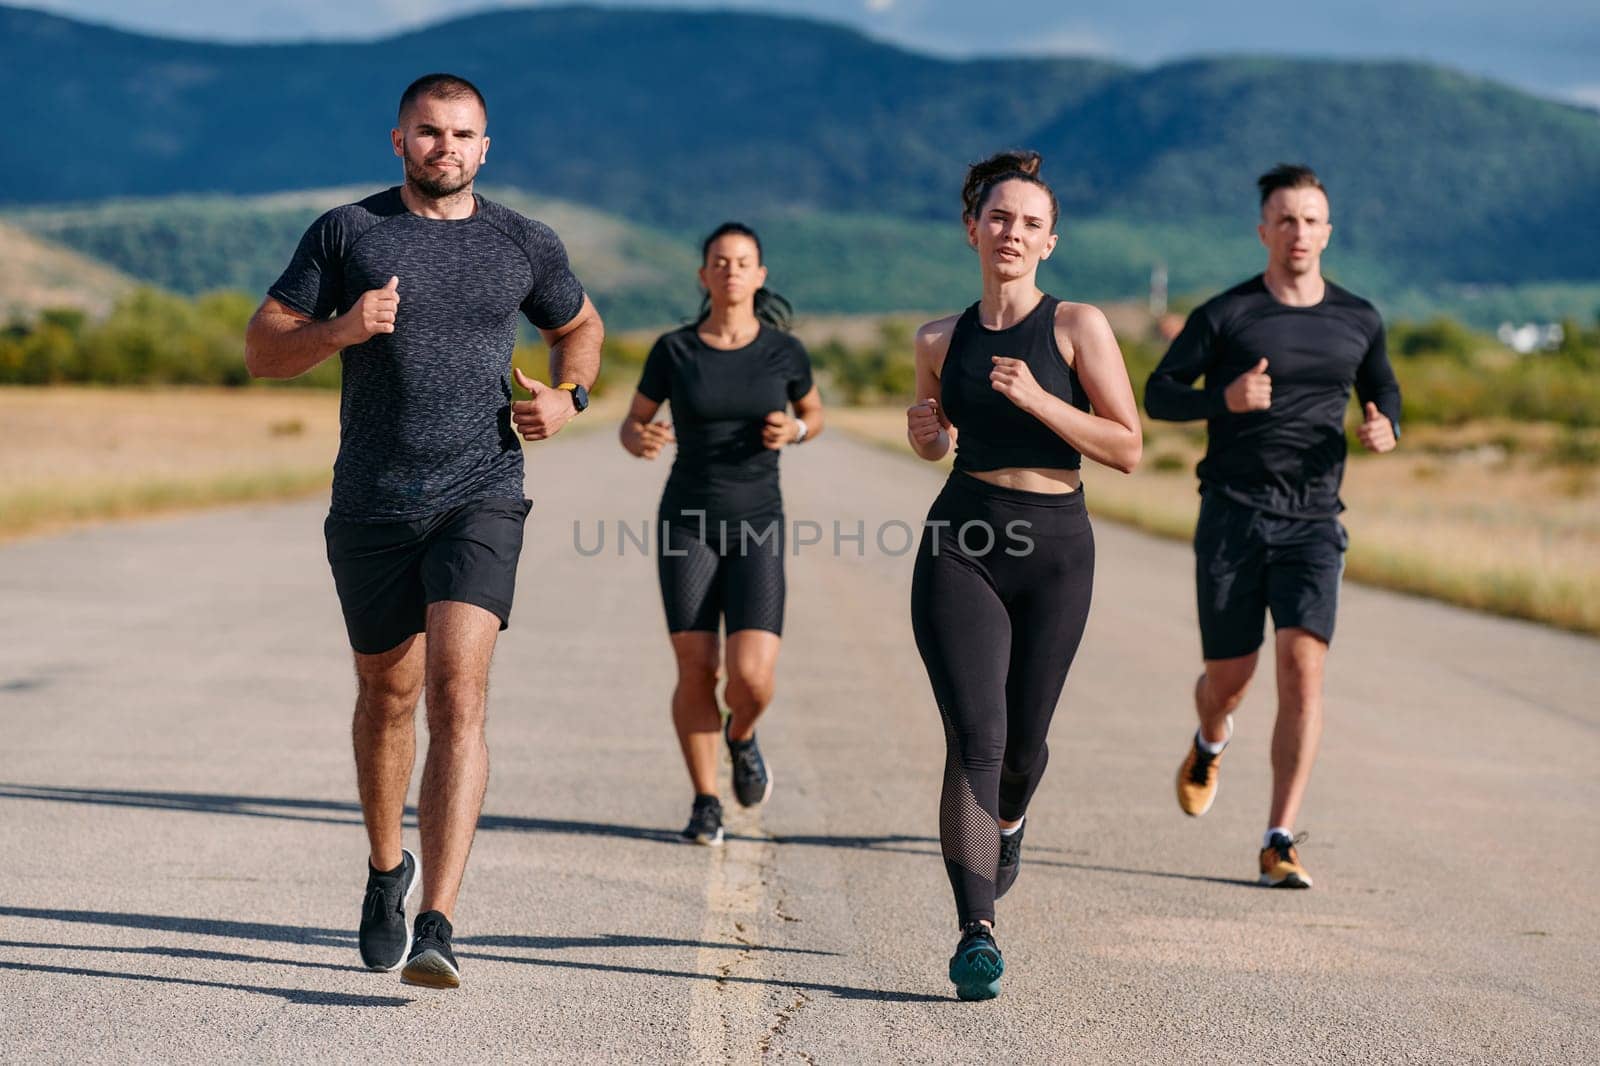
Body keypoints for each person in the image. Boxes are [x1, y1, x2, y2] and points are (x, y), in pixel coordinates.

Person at [243, 73, 602, 988]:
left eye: (465, 134)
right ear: (398, 140)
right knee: (386, 694)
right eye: (431, 132)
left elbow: (580, 325)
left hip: (480, 491)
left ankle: (439, 919)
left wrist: (571, 396)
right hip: (370, 502)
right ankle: (383, 871)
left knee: (457, 690)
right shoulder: (347, 233)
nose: (448, 147)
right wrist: (343, 328)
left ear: (488, 147)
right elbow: (262, 349)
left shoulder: (524, 240)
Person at [906, 151, 1142, 1000]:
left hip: (1057, 546)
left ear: (1050, 242)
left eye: (1029, 223)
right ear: (974, 229)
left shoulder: (1078, 327)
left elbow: (1126, 447)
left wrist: (1041, 399)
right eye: (998, 218)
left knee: (1025, 745)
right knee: (976, 738)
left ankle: (1010, 823)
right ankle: (977, 931)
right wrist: (925, 430)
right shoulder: (939, 338)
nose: (1011, 234)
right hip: (961, 537)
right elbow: (934, 442)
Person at [1145, 163, 1400, 890]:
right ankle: (1208, 739)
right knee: (1229, 681)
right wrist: (1223, 397)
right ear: (1264, 230)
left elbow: (1381, 386)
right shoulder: (1227, 315)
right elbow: (1160, 395)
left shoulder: (1358, 317)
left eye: (1311, 219)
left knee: (1302, 672)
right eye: (1284, 219)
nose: (1298, 231)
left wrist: (1387, 423)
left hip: (1314, 522)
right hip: (1231, 514)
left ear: (1328, 230)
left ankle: (1278, 837)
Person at [620, 222, 823, 846]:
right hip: (688, 522)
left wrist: (797, 431)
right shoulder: (674, 350)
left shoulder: (784, 353)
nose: (731, 270)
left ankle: (741, 735)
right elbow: (633, 423)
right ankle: (706, 799)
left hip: (758, 523)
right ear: (703, 275)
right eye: (719, 261)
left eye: (743, 262)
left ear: (760, 275)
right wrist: (641, 440)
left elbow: (814, 413)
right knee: (696, 665)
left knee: (752, 678)